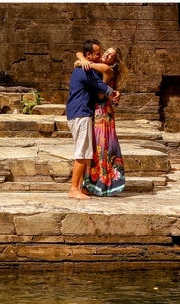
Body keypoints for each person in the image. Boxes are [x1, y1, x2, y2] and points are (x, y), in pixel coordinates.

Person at [65, 39, 120, 200]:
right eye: (97, 53)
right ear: (89, 55)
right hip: (80, 113)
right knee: (82, 153)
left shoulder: (86, 68)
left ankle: (81, 187)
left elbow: (104, 73)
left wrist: (82, 59)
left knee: (86, 152)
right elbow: (101, 86)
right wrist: (113, 92)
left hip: (80, 113)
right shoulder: (85, 71)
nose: (100, 55)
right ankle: (73, 189)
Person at [75, 47, 128, 196]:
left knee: (101, 149)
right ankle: (91, 184)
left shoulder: (106, 69)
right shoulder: (99, 66)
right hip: (97, 114)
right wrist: (83, 59)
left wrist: (84, 62)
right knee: (95, 149)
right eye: (107, 51)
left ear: (114, 61)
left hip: (102, 115)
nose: (107, 54)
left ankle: (98, 184)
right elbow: (78, 54)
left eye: (111, 55)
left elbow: (100, 95)